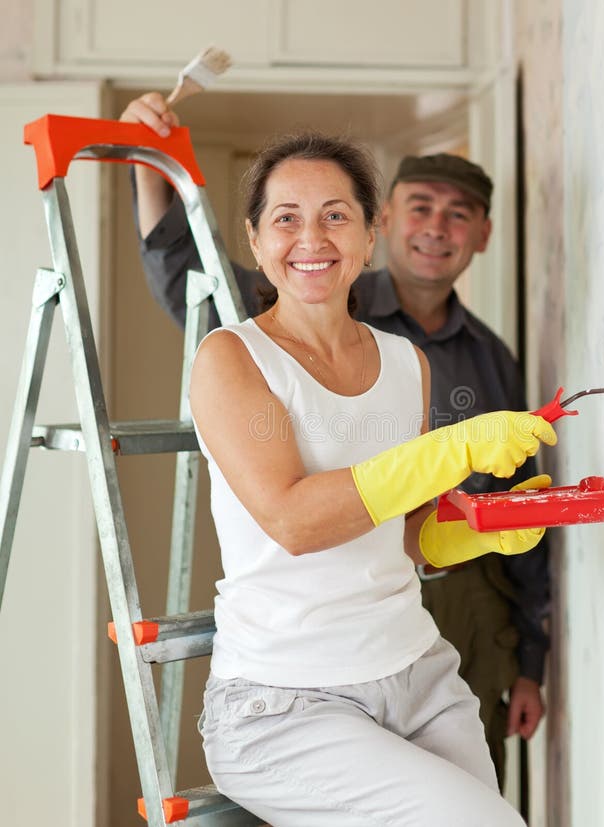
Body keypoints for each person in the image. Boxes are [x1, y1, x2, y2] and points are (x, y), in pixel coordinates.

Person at [121, 92, 553, 789]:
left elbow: (401, 533)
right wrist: (150, 166)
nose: (312, 238)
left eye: (335, 216)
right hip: (288, 695)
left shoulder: (412, 363)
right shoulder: (231, 358)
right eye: (286, 219)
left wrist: (482, 527)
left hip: (418, 668)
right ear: (256, 240)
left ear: (365, 234)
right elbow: (294, 520)